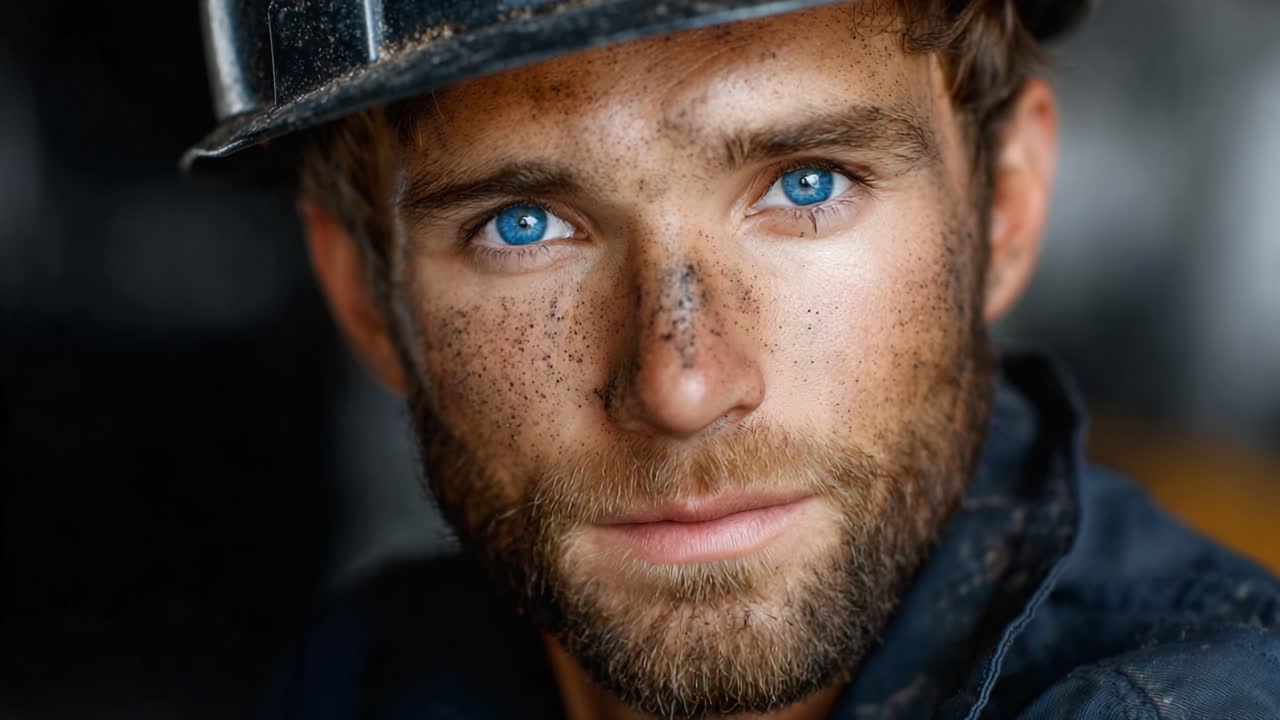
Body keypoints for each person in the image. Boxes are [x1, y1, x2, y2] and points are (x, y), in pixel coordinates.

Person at [185, 1, 1280, 717]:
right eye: (521, 225)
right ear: (361, 292)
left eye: (807, 184)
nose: (682, 384)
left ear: (1004, 205)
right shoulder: (367, 678)